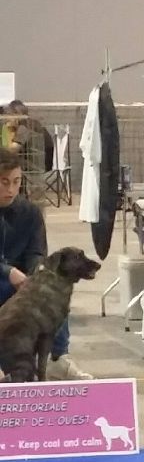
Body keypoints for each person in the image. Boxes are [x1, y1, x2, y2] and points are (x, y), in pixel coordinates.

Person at [0, 147, 92, 380]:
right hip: (7, 278)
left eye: (16, 181)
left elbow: (36, 252)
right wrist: (8, 271)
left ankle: (57, 358)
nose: (11, 189)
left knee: (54, 295)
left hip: (21, 282)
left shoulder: (29, 213)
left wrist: (37, 274)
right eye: (3, 182)